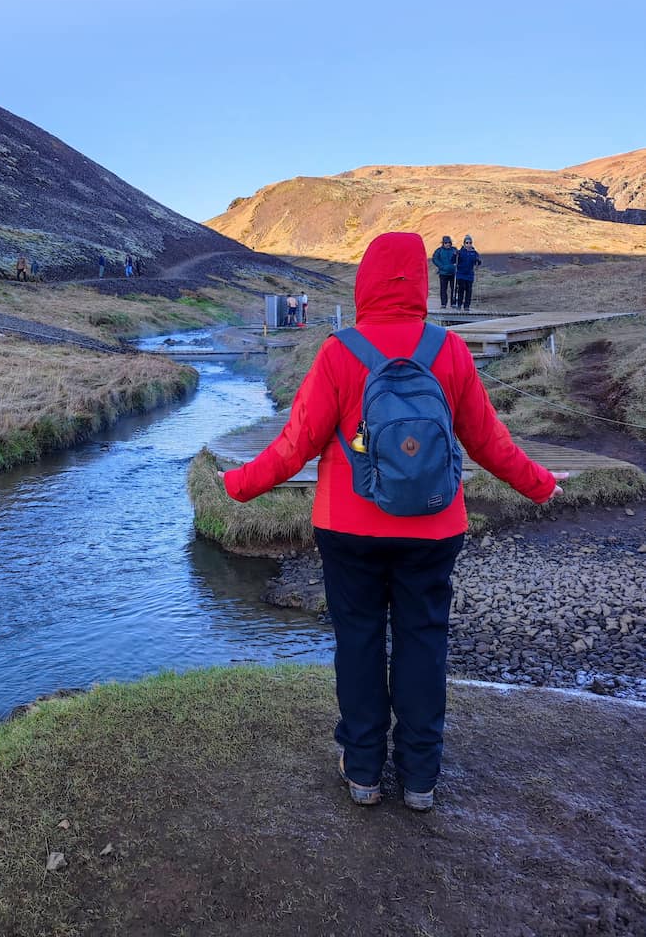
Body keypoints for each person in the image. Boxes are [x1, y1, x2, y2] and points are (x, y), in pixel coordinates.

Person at [220, 232, 566, 812]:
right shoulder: (448, 351)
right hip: (433, 530)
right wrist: (540, 483)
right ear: (421, 282)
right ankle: (421, 778)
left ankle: (362, 773)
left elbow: (294, 445)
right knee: (422, 644)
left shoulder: (339, 352)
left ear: (366, 283)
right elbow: (487, 442)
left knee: (357, 644)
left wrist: (240, 484)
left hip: (347, 528)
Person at [455, 235, 482, 312]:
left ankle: (467, 306)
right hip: (461, 274)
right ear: (464, 244)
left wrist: (478, 261)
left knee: (469, 290)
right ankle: (459, 304)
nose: (468, 244)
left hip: (469, 275)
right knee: (461, 289)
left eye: (470, 243)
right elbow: (453, 261)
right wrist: (455, 255)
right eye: (467, 243)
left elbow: (478, 262)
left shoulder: (474, 253)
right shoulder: (460, 252)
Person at [431, 236, 457, 309]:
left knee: (454, 288)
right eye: (446, 243)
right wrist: (441, 266)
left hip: (453, 273)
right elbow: (434, 259)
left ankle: (453, 303)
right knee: (443, 289)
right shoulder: (439, 250)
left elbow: (458, 258)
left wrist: (455, 266)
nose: (447, 244)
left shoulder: (454, 250)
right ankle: (443, 304)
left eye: (449, 242)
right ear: (443, 243)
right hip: (443, 273)